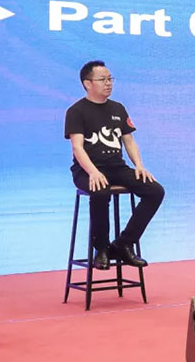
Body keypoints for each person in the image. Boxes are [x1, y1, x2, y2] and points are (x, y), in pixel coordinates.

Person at [64, 60, 164, 270]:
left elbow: (129, 141)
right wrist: (93, 172)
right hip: (87, 170)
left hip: (117, 167)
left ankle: (124, 243)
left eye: (110, 79)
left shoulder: (118, 108)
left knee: (155, 191)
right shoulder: (76, 111)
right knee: (101, 191)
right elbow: (77, 147)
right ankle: (101, 248)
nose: (108, 83)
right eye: (102, 79)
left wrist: (139, 165)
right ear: (87, 83)